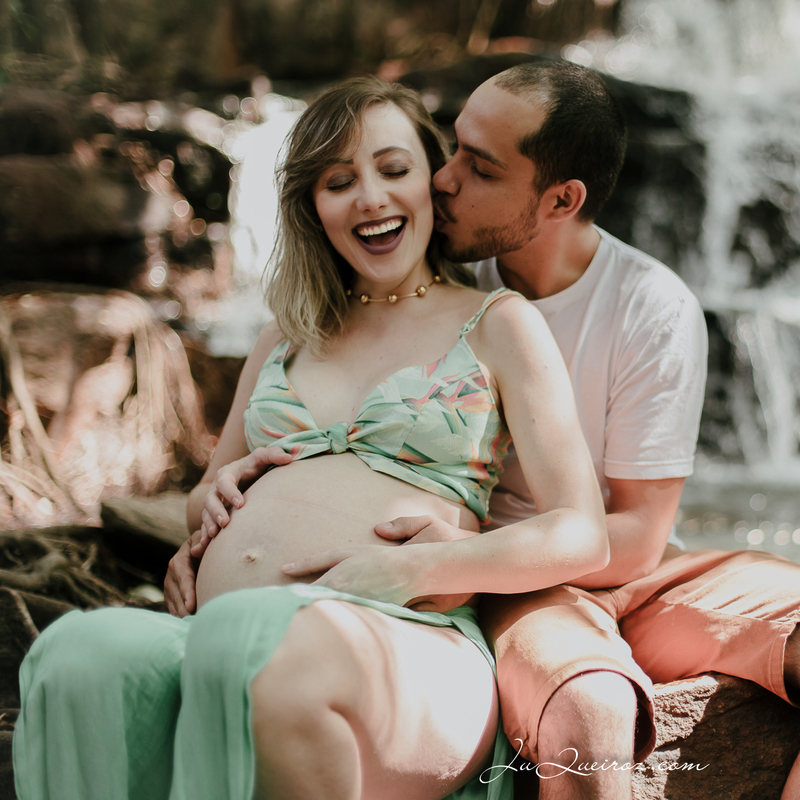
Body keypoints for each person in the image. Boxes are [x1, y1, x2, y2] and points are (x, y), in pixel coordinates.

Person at [168, 61, 800, 800]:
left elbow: (632, 534)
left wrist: (456, 562)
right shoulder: (409, 263)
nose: (443, 178)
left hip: (564, 562)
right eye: (453, 146)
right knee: (589, 714)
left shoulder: (649, 307)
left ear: (560, 199)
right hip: (481, 579)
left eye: (480, 167)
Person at [15, 76, 609, 800]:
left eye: (393, 170)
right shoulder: (284, 336)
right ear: (312, 207)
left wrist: (418, 570)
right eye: (338, 181)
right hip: (218, 630)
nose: (369, 198)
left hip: (401, 643)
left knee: (256, 647)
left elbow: (583, 534)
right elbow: (213, 480)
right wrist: (205, 513)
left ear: (433, 181)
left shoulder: (497, 322)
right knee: (78, 652)